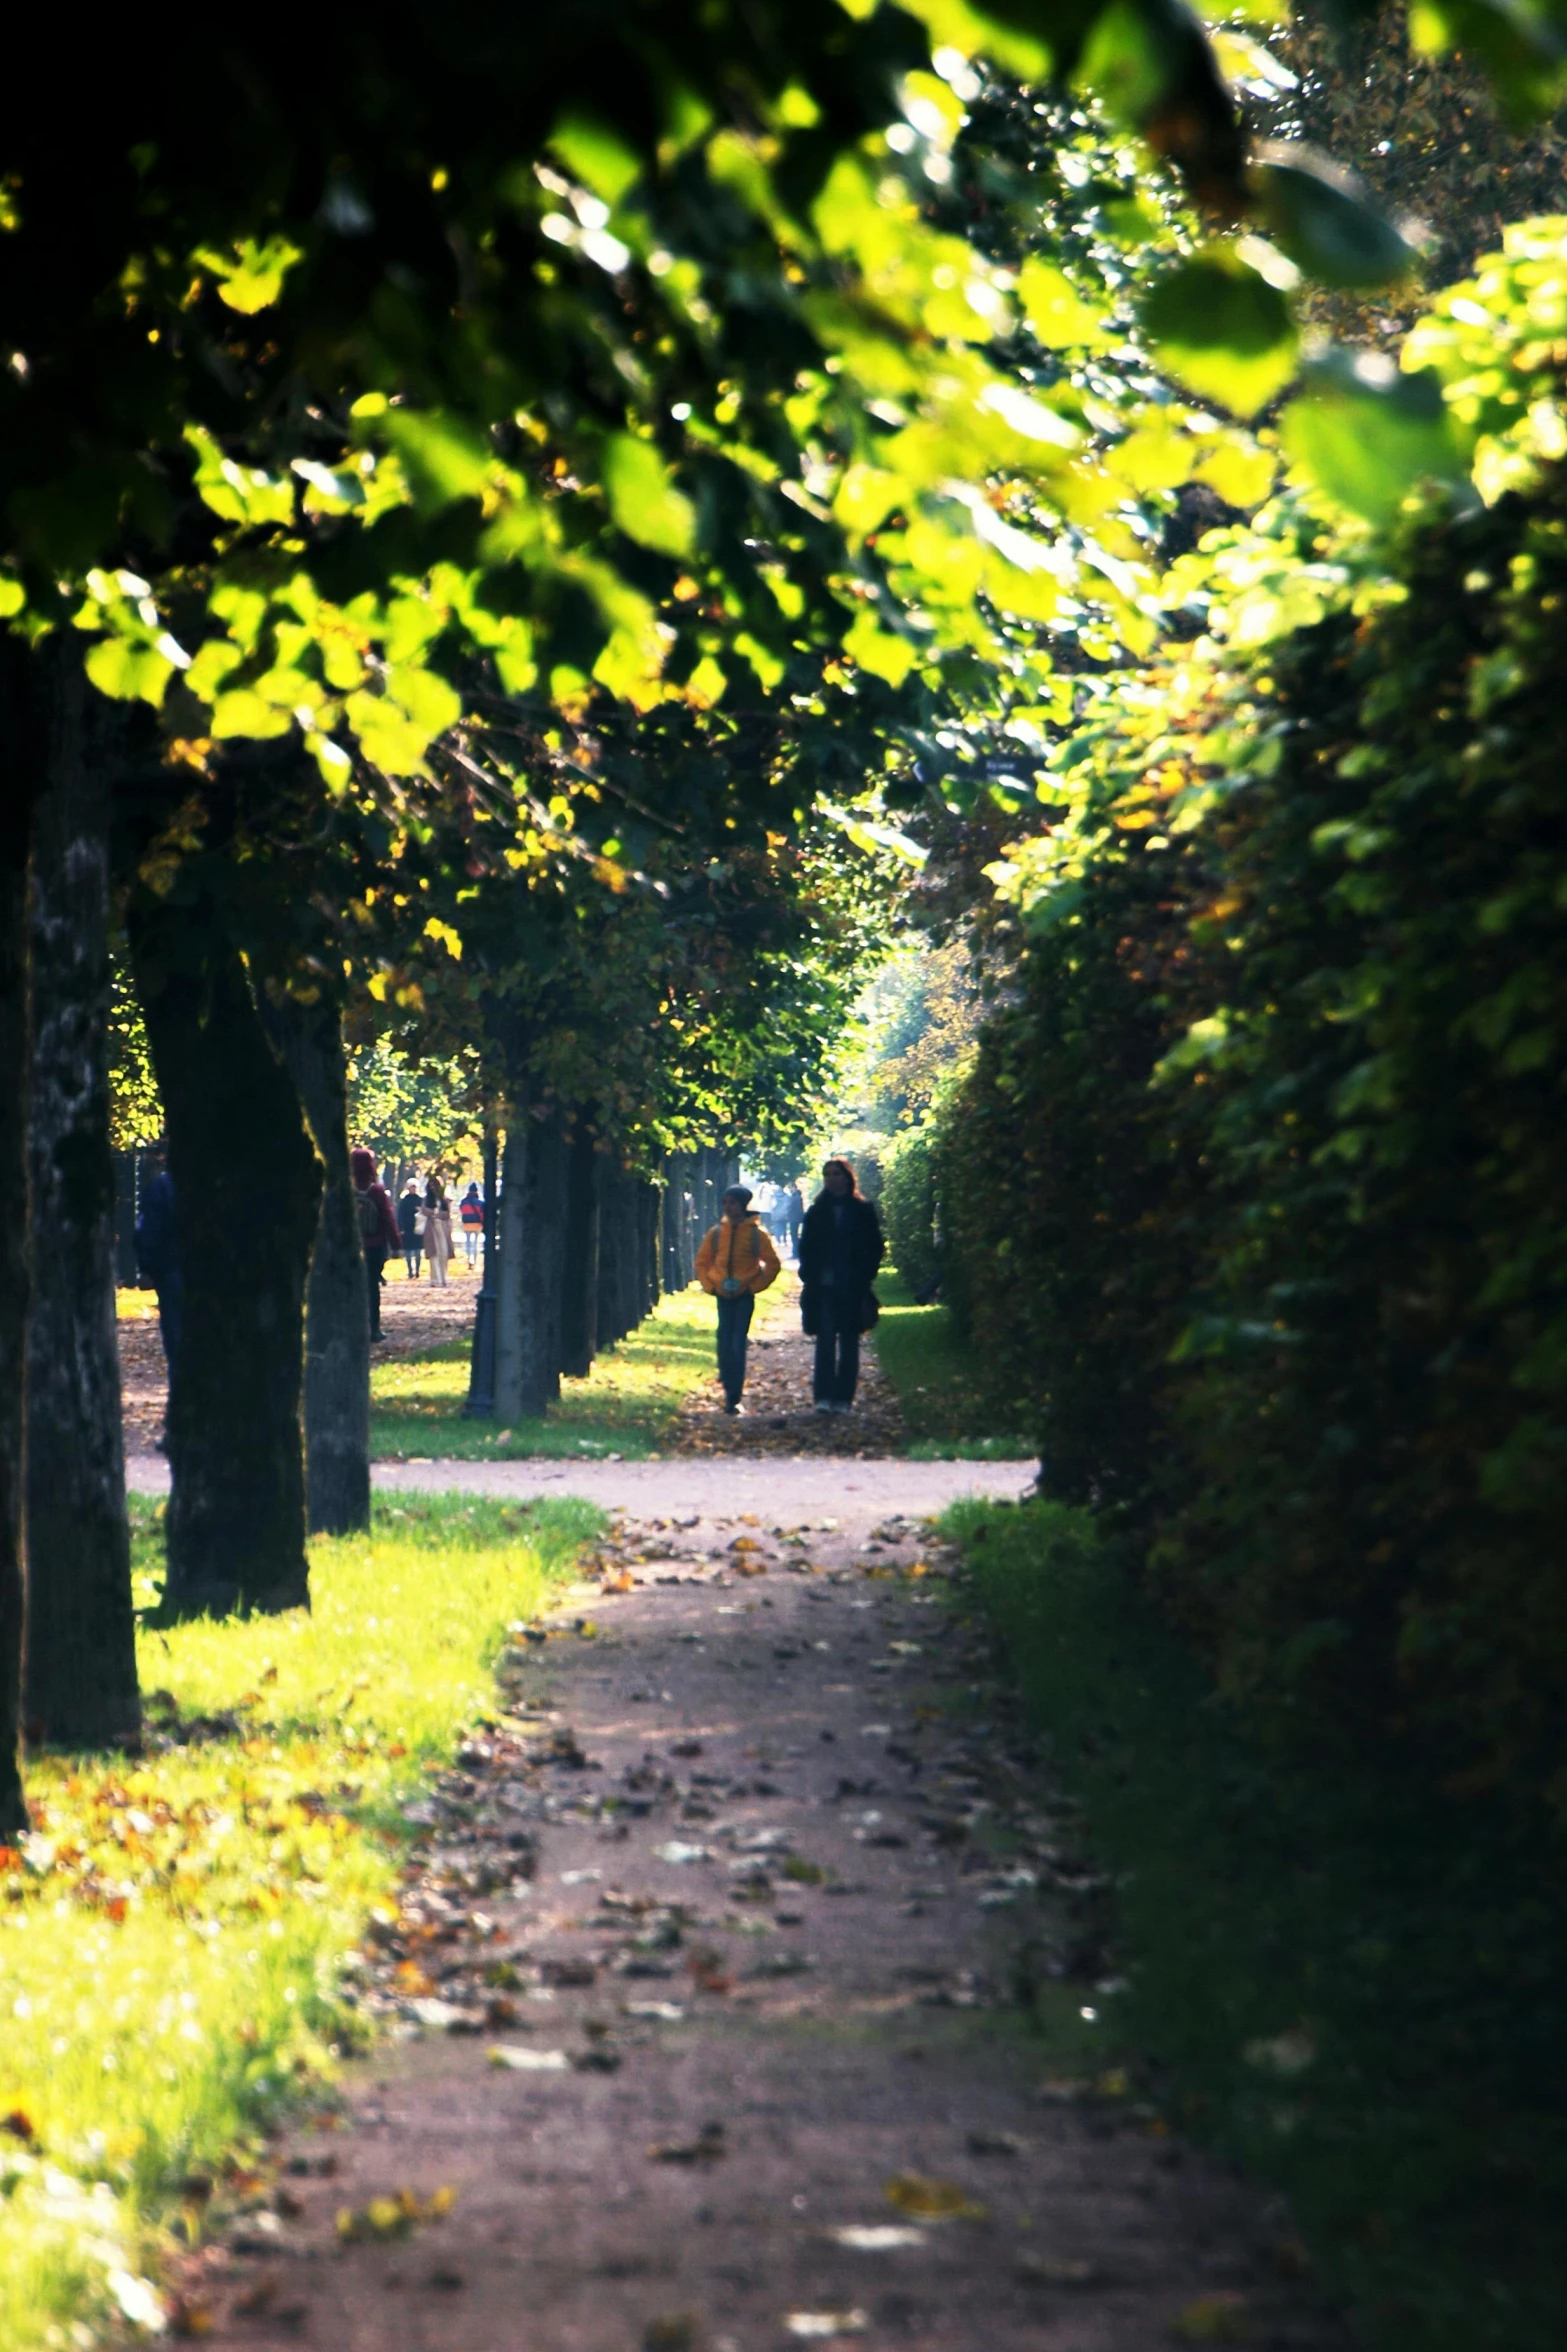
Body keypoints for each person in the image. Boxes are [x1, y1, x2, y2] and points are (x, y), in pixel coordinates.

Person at [797, 1157, 883, 1414]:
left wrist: (865, 1274)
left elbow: (874, 1246)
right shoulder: (817, 1211)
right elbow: (807, 1247)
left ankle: (844, 1397)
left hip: (852, 1284)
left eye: (836, 1174)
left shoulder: (863, 1210)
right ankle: (823, 1396)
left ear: (847, 1177)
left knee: (848, 1340)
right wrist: (809, 1274)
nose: (832, 1179)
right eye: (828, 1174)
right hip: (823, 1284)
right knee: (825, 1340)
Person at [694, 1183, 780, 1415]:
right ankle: (726, 1375)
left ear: (742, 1205)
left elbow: (772, 1264)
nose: (727, 1207)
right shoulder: (716, 1234)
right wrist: (710, 1284)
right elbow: (702, 1262)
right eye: (725, 1203)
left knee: (737, 1341)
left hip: (743, 1296)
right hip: (722, 1294)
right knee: (723, 1337)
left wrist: (754, 1286)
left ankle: (734, 1395)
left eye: (732, 1203)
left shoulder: (756, 1235)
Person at [133, 1153, 182, 1382]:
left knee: (177, 1340)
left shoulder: (162, 1187)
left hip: (172, 1272)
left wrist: (148, 1268)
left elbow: (147, 1232)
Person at [352, 1147, 401, 1339]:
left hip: (353, 1246)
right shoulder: (377, 1191)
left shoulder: (345, 1189)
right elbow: (388, 1218)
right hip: (375, 1245)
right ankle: (374, 1328)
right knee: (372, 1286)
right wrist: (396, 1244)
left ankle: (354, 1327)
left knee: (352, 1286)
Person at [424, 1174, 453, 1287]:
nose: (432, 1187)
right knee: (434, 1254)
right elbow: (424, 1210)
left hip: (443, 1228)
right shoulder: (427, 1198)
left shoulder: (444, 1199)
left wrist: (438, 1214)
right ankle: (435, 1279)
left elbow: (447, 1214)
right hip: (432, 1228)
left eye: (434, 1184)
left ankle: (443, 1277)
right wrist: (432, 1213)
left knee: (443, 1253)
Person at [397, 1182, 423, 1279]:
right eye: (411, 1187)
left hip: (418, 1228)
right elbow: (400, 1216)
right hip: (407, 1229)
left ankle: (417, 1271)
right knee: (407, 1252)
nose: (413, 1189)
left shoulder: (420, 1200)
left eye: (414, 1187)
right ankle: (410, 1271)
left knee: (418, 1252)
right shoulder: (404, 1201)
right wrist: (401, 1228)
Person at [459, 1180, 484, 1267]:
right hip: (477, 1224)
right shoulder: (480, 1202)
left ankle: (470, 1259)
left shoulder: (463, 1201)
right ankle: (475, 1261)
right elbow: (482, 1213)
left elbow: (461, 1211)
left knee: (468, 1242)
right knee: (476, 1243)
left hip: (466, 1224)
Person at [784, 1179, 804, 1261]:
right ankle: (796, 1253)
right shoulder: (797, 1197)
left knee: (794, 1236)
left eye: (790, 1187)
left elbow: (791, 1208)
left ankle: (795, 1253)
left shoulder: (795, 1197)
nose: (790, 1189)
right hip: (796, 1218)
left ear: (794, 1187)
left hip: (794, 1219)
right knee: (794, 1236)